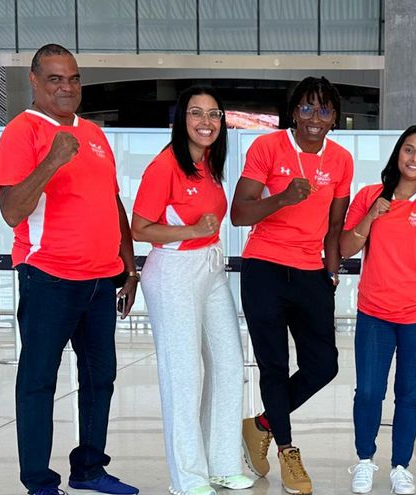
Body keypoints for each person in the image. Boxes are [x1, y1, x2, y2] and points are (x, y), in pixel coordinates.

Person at [0, 44, 139, 495]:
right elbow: (12, 211)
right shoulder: (21, 132)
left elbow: (112, 202)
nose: (67, 87)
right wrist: (53, 160)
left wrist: (129, 268)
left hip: (100, 280)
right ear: (34, 80)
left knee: (100, 379)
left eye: (73, 78)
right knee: (38, 382)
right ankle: (39, 482)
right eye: (55, 78)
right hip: (49, 279)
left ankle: (89, 469)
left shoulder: (93, 133)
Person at [230, 76, 353, 495]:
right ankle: (286, 449)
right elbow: (239, 213)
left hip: (310, 271)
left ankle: (261, 423)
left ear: (334, 118)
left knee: (324, 364)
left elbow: (335, 227)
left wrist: (331, 275)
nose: (315, 117)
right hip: (264, 267)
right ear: (293, 112)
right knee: (274, 365)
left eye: (324, 110)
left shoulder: (341, 160)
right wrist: (282, 197)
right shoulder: (267, 147)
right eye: (306, 107)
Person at [131, 87, 254, 495]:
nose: (206, 122)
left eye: (214, 114)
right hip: (174, 272)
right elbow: (139, 228)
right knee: (183, 375)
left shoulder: (209, 163)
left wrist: (203, 235)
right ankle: (187, 478)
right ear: (181, 119)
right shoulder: (165, 165)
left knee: (228, 364)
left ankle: (222, 464)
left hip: (210, 266)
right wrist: (191, 230)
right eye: (197, 113)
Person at [340, 125, 416, 495]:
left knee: (409, 394)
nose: (414, 158)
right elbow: (345, 248)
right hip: (374, 312)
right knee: (369, 392)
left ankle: (400, 466)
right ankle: (364, 460)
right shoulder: (370, 195)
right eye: (409, 149)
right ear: (397, 153)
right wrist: (371, 216)